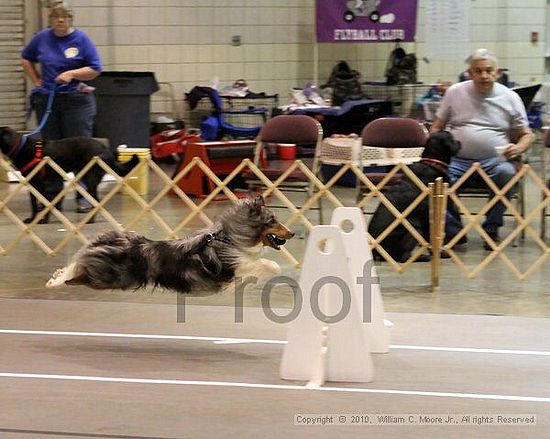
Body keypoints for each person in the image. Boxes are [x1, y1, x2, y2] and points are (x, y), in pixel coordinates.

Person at [431, 48, 534, 249]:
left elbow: (527, 135)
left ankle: (491, 229)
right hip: (457, 159)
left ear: (498, 73)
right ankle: (453, 231)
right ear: (469, 73)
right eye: (477, 71)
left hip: (495, 159)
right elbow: (437, 127)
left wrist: (518, 148)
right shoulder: (454, 92)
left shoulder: (511, 97)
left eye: (488, 70)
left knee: (507, 173)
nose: (484, 75)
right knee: (438, 178)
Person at [20, 1, 102, 213]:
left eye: (64, 16)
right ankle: (52, 196)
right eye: (56, 16)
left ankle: (84, 196)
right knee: (49, 150)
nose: (60, 20)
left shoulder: (81, 39)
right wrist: (36, 80)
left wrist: (73, 74)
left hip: (76, 101)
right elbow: (26, 58)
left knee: (79, 150)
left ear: (70, 19)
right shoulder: (42, 38)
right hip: (48, 100)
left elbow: (95, 69)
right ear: (51, 19)